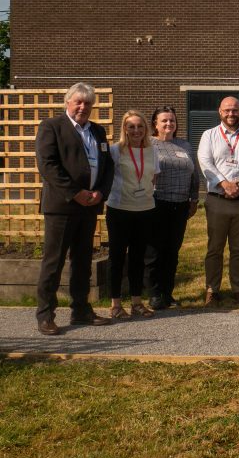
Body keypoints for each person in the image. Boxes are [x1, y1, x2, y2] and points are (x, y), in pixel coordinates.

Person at [35, 83, 115, 335]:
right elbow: (48, 165)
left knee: (82, 260)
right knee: (54, 261)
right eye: (78, 102)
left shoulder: (98, 132)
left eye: (88, 103)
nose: (83, 107)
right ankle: (46, 314)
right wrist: (75, 193)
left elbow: (107, 166)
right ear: (67, 102)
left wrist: (100, 192)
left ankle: (81, 310)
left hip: (90, 206)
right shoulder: (52, 127)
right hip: (62, 206)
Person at [197, 96, 239, 306]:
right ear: (219, 111)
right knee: (215, 247)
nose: (231, 114)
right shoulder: (209, 135)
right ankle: (212, 290)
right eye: (227, 110)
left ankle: (238, 289)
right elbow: (205, 161)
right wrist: (224, 184)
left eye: (235, 110)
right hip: (217, 199)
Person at [105, 110, 160, 319]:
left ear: (146, 129)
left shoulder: (152, 151)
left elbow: (153, 178)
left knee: (138, 257)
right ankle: (116, 304)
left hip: (145, 209)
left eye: (140, 126)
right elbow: (107, 176)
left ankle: (137, 302)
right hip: (120, 209)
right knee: (117, 257)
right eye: (131, 127)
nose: (136, 130)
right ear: (124, 129)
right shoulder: (115, 151)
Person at [147, 106, 200, 310]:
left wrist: (194, 199)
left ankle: (167, 293)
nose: (169, 124)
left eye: (172, 121)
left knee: (172, 251)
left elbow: (194, 175)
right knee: (154, 251)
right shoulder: (149, 144)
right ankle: (153, 293)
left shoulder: (184, 145)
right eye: (164, 121)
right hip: (156, 203)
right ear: (155, 124)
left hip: (180, 205)